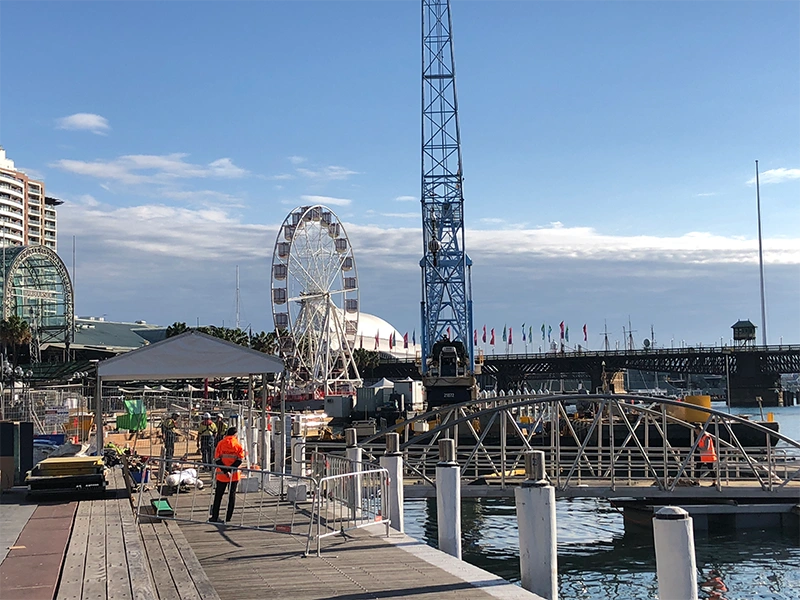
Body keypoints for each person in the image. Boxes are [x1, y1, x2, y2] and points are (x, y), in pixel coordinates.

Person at [209, 426, 245, 523]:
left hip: (221, 475)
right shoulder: (238, 445)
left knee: (218, 496)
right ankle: (228, 517)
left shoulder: (221, 444)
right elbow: (240, 460)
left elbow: (217, 459)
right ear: (235, 435)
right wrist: (230, 470)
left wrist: (225, 471)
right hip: (234, 475)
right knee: (232, 496)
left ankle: (215, 516)